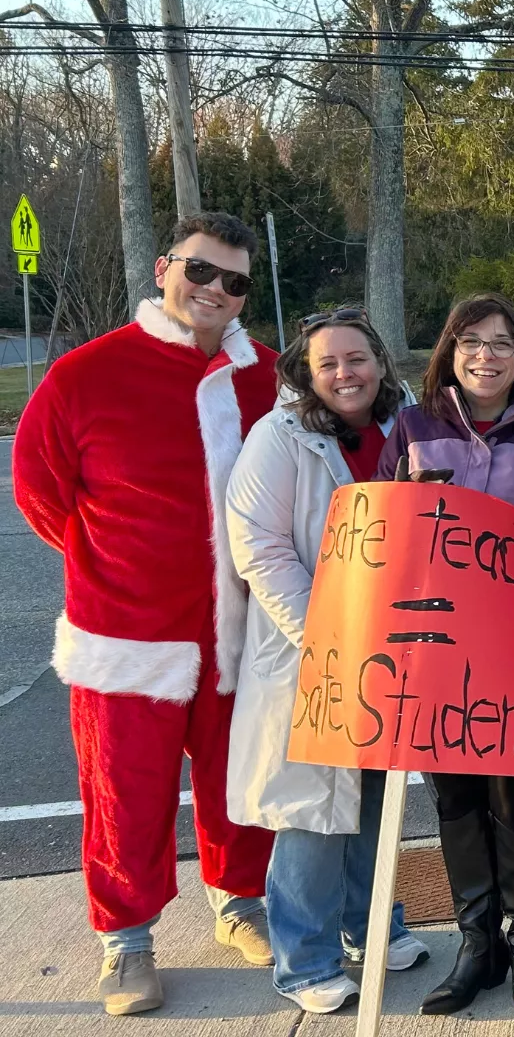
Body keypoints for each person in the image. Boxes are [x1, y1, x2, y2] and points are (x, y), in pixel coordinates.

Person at [13, 212, 279, 1015]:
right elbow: (39, 492)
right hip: (128, 631)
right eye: (201, 271)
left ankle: (239, 900)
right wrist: (115, 567)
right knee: (125, 790)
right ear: (166, 266)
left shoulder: (265, 376)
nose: (215, 291)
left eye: (234, 282)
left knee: (243, 780)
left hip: (240, 625)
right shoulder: (86, 375)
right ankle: (125, 939)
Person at [225, 308, 431, 1012]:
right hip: (314, 648)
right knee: (313, 811)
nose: (346, 374)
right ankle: (303, 960)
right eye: (329, 364)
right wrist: (325, 631)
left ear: (380, 361)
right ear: (306, 376)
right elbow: (260, 547)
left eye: (358, 359)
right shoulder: (278, 439)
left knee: (378, 802)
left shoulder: (404, 427)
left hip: (391, 648)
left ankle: (372, 926)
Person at [378, 293, 514, 1015]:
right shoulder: (413, 426)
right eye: (471, 342)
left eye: (501, 343)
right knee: (455, 796)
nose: (486, 355)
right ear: (449, 352)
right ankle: (476, 944)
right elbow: (386, 537)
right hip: (432, 648)